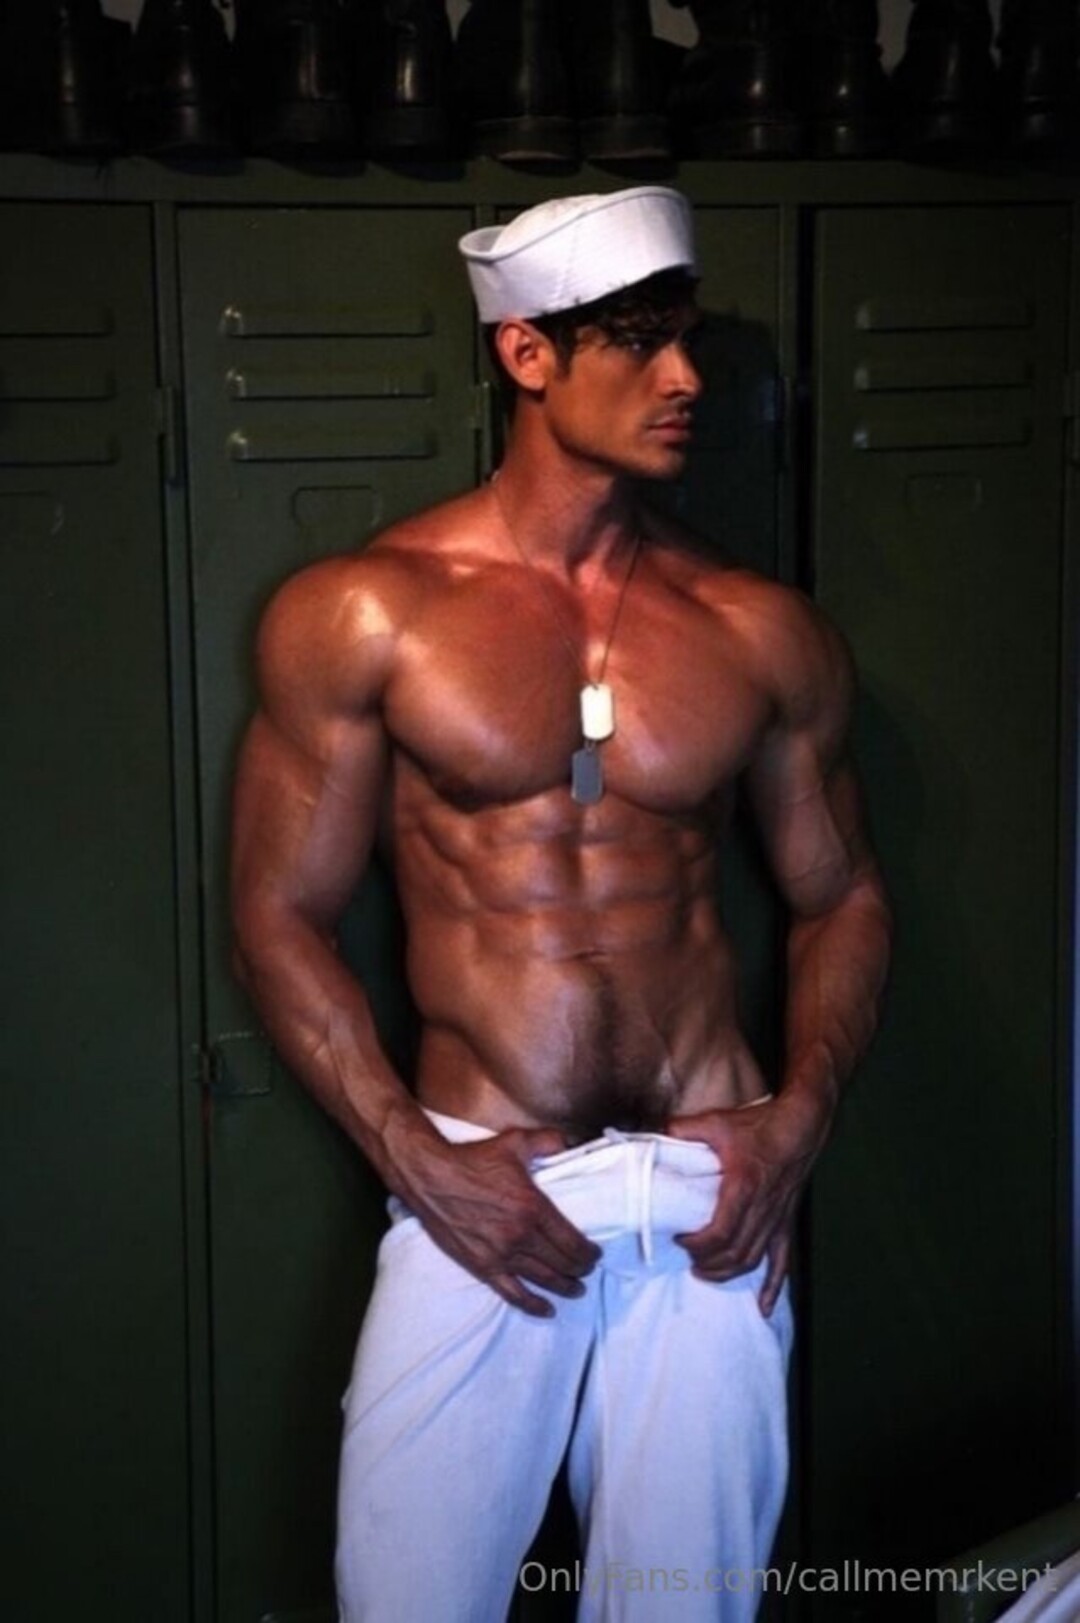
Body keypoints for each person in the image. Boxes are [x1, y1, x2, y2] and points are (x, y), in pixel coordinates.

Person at [230, 185, 892, 1622]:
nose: (688, 379)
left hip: (712, 1196)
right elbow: (279, 913)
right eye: (642, 345)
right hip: (486, 1184)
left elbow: (841, 895)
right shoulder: (368, 612)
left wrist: (800, 1120)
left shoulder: (757, 630)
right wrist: (413, 1154)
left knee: (685, 1605)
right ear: (527, 355)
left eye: (689, 339)